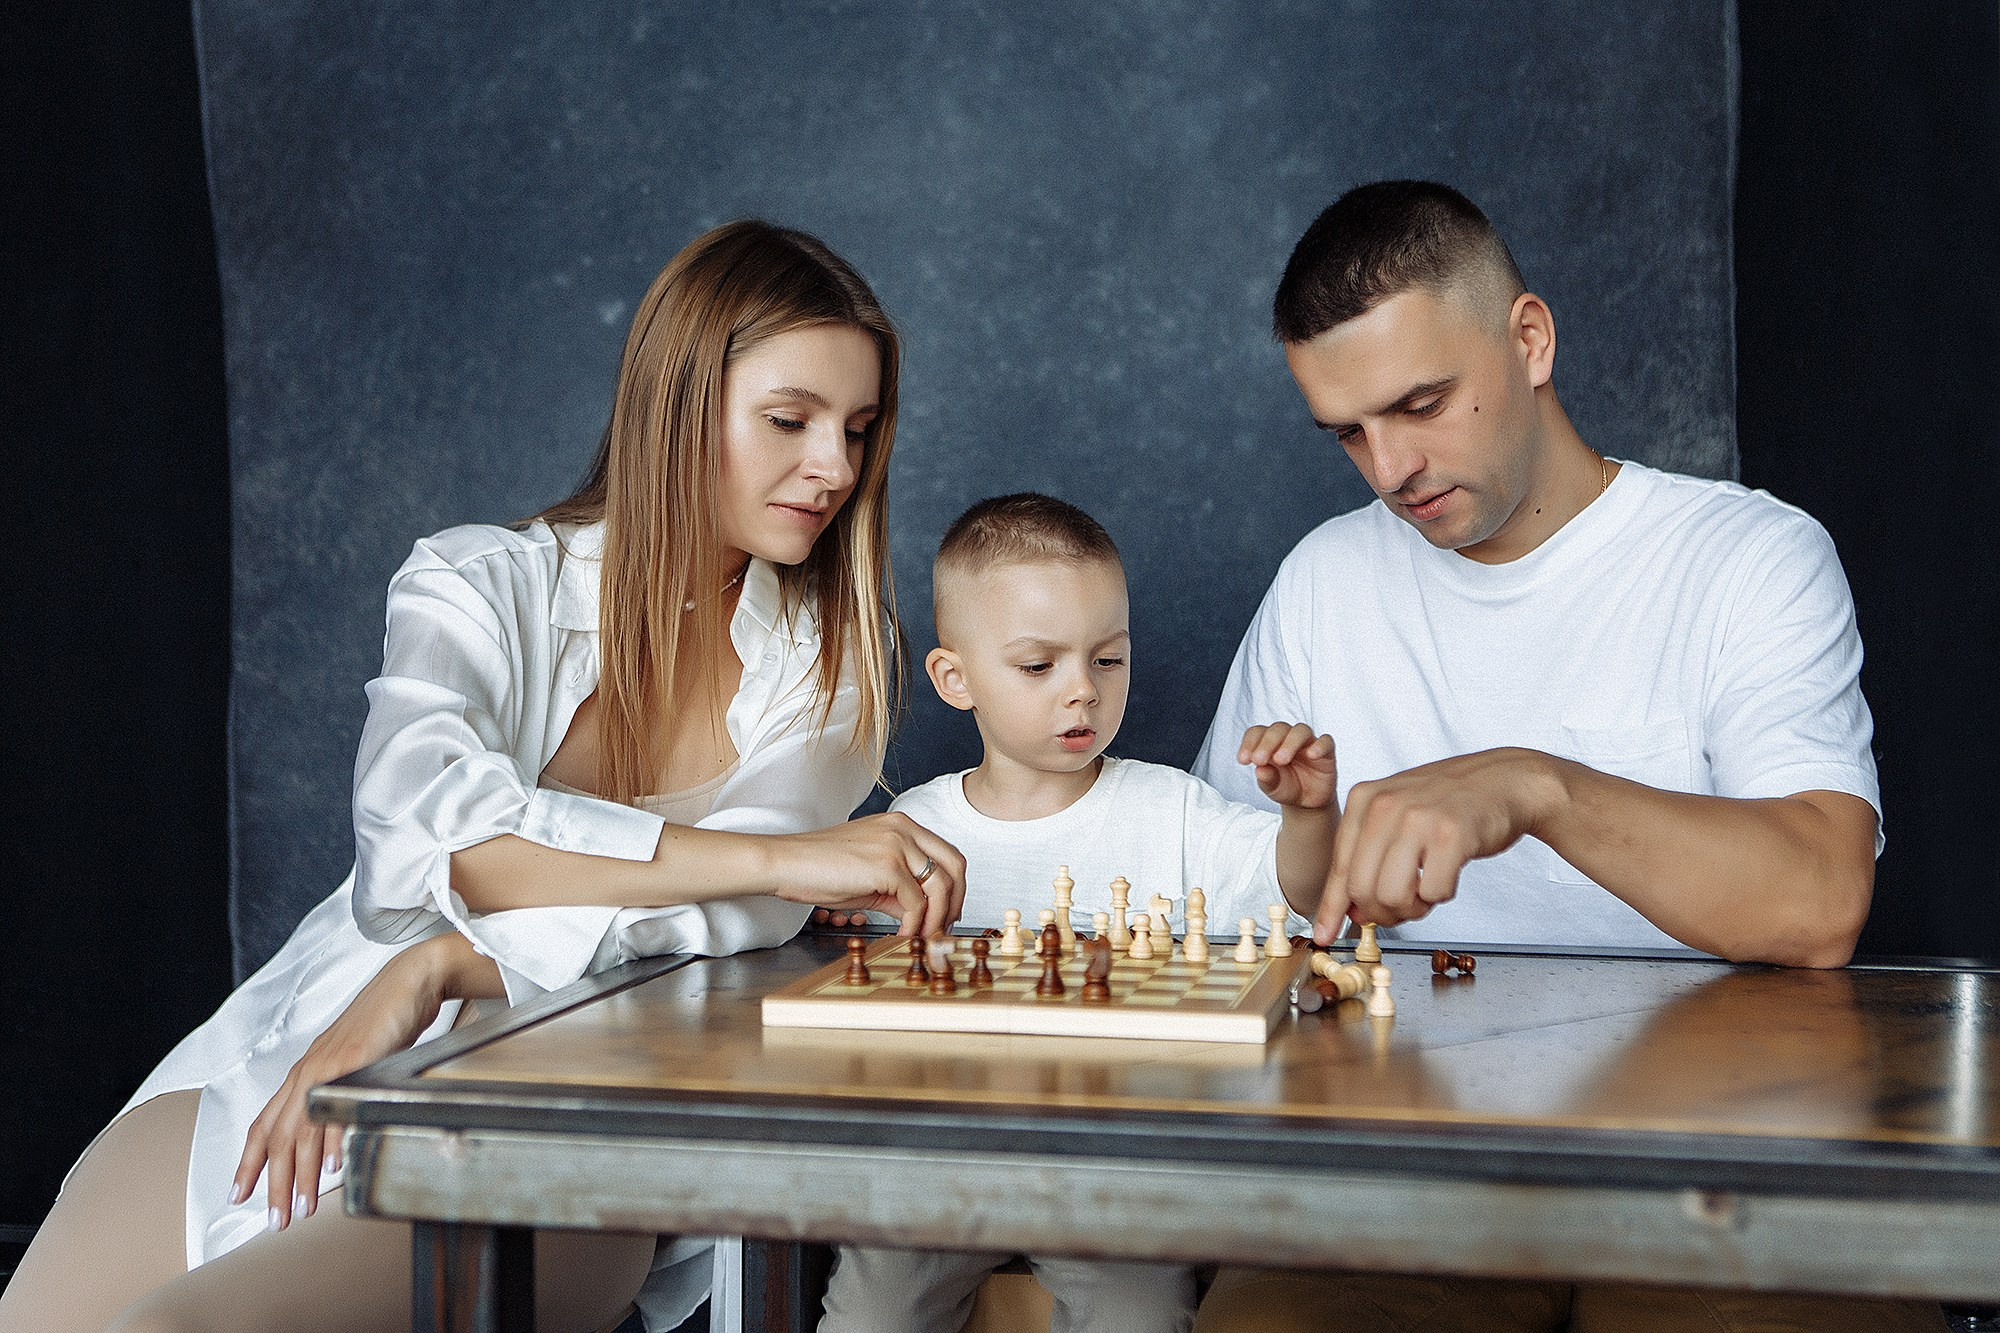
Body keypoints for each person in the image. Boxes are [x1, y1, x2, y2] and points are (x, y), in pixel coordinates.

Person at [0, 220, 966, 1333]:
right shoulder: (472, 582)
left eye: (858, 428)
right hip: (307, 1037)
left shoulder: (832, 665)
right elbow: (425, 836)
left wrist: (442, 964)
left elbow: (725, 921)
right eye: (789, 421)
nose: (836, 468)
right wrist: (783, 856)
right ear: (675, 404)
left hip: (568, 1100)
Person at [1188, 181, 1941, 1331]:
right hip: (1404, 1174)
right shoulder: (1322, 582)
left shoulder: (1749, 556)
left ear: (1528, 340)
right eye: (1347, 431)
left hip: (1719, 1167)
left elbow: (1819, 899)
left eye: (1421, 403)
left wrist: (1533, 785)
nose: (1388, 467)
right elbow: (1215, 903)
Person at [816, 491, 1338, 1333]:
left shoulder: (1172, 811)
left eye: (1108, 660)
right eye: (1038, 665)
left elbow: (1301, 895)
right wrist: (834, 916)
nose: (1082, 693)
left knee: (1142, 1310)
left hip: (1117, 1166)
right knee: (871, 1314)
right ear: (955, 679)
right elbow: (846, 950)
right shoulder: (909, 827)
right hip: (936, 1161)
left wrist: (1310, 815)